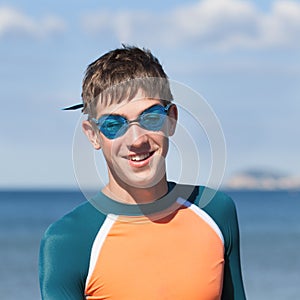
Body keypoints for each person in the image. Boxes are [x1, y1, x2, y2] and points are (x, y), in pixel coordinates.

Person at [39, 45, 246, 299]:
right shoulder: (67, 241)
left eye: (150, 118)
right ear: (93, 134)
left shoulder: (215, 212)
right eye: (114, 124)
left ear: (171, 119)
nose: (136, 139)